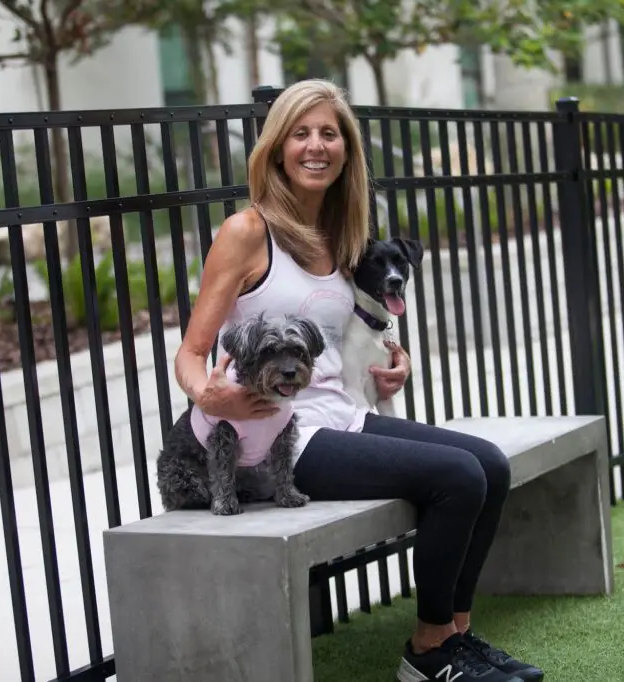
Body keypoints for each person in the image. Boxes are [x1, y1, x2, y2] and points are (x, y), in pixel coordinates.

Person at [173, 78, 544, 682]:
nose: (316, 146)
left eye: (329, 133)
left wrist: (396, 361)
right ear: (276, 148)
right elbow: (189, 352)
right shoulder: (247, 233)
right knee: (456, 477)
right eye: (301, 133)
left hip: (340, 413)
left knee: (491, 466)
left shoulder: (341, 234)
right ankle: (428, 656)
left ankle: (457, 637)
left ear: (346, 149)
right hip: (280, 440)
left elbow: (347, 325)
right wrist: (209, 393)